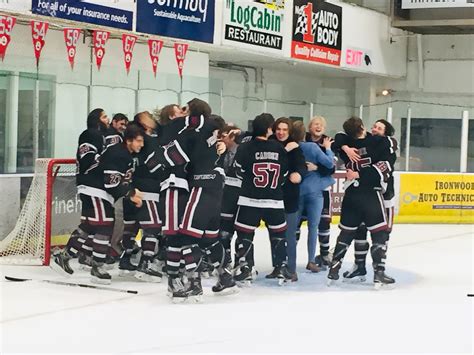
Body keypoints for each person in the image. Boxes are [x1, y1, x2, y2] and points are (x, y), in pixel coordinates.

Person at [328, 116, 395, 287]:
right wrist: (363, 174)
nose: (375, 130)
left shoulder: (347, 147)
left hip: (351, 194)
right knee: (379, 232)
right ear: (363, 128)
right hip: (371, 194)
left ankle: (334, 269)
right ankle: (379, 272)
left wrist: (344, 146)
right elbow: (386, 164)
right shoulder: (379, 143)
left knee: (346, 233)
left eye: (378, 127)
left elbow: (338, 138)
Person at [233, 113, 290, 284]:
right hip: (274, 200)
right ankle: (281, 267)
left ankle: (245, 268)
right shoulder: (279, 148)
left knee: (244, 234)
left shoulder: (245, 147)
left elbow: (237, 172)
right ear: (268, 129)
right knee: (278, 234)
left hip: (249, 200)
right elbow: (284, 175)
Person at [52, 108, 108, 274]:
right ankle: (96, 264)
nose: (108, 119)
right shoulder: (90, 134)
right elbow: (87, 161)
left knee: (89, 225)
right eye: (104, 117)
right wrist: (108, 161)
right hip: (92, 187)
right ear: (96, 120)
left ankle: (67, 255)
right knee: (104, 224)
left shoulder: (99, 136)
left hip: (92, 186)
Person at [118, 112, 163, 283]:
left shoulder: (129, 141)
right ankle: (146, 264)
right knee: (153, 227)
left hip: (131, 188)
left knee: (131, 226)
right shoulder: (148, 140)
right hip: (147, 190)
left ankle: (126, 259)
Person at [267, 117, 306, 282]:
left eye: (285, 130)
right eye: (279, 129)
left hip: (289, 197)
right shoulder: (270, 143)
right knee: (274, 235)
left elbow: (301, 166)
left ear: (289, 131)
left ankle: (291, 269)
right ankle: (277, 267)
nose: (281, 132)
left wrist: (299, 174)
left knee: (289, 235)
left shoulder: (295, 146)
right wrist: (285, 150)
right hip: (271, 197)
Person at [294, 121, 335, 273]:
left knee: (293, 227)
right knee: (313, 227)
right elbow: (330, 164)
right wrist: (329, 150)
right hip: (315, 191)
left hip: (297, 191)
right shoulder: (312, 147)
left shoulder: (291, 148)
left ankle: (288, 260)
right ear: (307, 131)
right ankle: (311, 261)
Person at [305, 116, 336, 269]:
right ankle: (289, 256)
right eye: (316, 124)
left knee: (324, 221)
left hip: (322, 188)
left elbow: (332, 168)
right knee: (297, 223)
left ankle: (324, 254)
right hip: (304, 189)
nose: (319, 127)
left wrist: (317, 168)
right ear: (310, 127)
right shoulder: (302, 140)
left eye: (322, 125)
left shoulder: (328, 142)